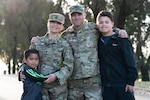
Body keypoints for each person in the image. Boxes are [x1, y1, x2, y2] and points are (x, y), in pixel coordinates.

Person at [30, 4, 128, 100]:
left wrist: (119, 31)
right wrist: (37, 39)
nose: (76, 17)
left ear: (84, 15)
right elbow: (52, 40)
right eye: (73, 15)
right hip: (74, 84)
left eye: (79, 14)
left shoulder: (93, 29)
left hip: (92, 82)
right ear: (70, 17)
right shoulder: (66, 35)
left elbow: (106, 27)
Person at [19, 13, 74, 100]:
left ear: (62, 27)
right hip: (39, 88)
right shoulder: (37, 42)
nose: (55, 25)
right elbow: (26, 61)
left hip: (58, 90)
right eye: (52, 22)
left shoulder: (65, 45)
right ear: (48, 23)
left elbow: (69, 66)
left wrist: (56, 76)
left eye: (58, 23)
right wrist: (21, 71)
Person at [96, 10, 138, 100]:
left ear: (112, 24)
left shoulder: (121, 40)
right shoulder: (98, 41)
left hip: (122, 85)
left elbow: (131, 62)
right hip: (106, 87)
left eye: (106, 22)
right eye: (101, 22)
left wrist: (131, 82)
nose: (104, 25)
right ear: (97, 25)